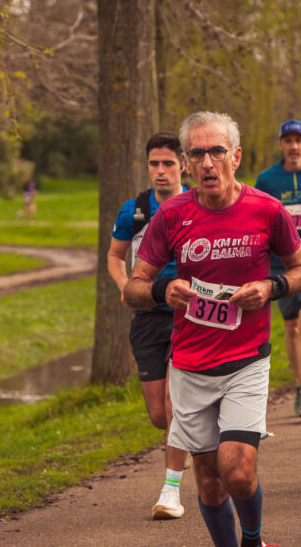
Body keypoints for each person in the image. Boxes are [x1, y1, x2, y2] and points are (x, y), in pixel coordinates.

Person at [124, 111, 301, 547]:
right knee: (209, 483)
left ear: (236, 157)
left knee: (238, 471)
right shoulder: (170, 216)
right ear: (186, 164)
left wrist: (271, 287)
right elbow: (132, 290)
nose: (208, 162)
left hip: (246, 361)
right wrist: (161, 290)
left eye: (216, 152)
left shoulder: (267, 210)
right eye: (197, 154)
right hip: (190, 366)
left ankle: (253, 539)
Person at [107, 131, 190, 519]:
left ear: (182, 165)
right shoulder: (135, 210)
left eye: (168, 163)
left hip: (188, 315)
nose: (161, 171)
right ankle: (192, 438)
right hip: (147, 316)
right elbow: (114, 256)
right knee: (160, 414)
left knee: (176, 403)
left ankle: (170, 490)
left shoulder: (197, 204)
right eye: (154, 164)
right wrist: (126, 287)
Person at [254, 119, 301, 418]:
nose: (294, 146)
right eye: (288, 140)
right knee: (290, 327)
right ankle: (300, 385)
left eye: (299, 140)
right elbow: (258, 217)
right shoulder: (267, 179)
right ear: (281, 145)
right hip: (279, 263)